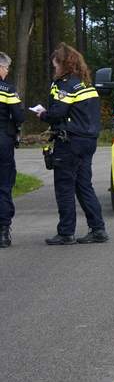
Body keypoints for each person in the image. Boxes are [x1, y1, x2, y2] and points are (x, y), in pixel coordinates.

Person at [34, 43, 106, 245]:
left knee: (64, 186)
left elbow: (58, 112)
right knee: (84, 186)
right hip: (88, 141)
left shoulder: (64, 85)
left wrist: (43, 114)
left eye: (55, 65)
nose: (54, 69)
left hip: (69, 142)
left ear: (63, 64)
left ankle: (66, 232)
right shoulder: (86, 85)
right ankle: (98, 228)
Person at [0, 52, 24, 249]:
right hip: (2, 142)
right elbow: (18, 115)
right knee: (4, 186)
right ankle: (3, 233)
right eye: (6, 69)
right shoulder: (7, 89)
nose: (7, 72)